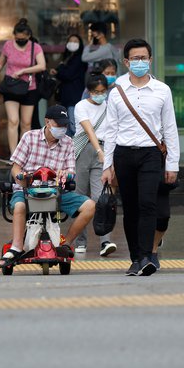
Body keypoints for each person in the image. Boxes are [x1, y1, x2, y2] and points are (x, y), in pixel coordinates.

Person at [100, 38, 180, 276]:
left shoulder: (162, 90)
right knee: (131, 208)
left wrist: (173, 164)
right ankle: (135, 257)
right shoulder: (116, 91)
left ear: (151, 60)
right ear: (126, 62)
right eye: (135, 58)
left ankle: (146, 256)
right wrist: (107, 165)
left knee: (148, 205)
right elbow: (110, 130)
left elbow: (170, 128)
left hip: (151, 154)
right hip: (123, 154)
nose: (140, 62)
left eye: (144, 58)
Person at [0, 105, 95, 269]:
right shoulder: (30, 137)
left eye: (65, 125)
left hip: (55, 193)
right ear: (47, 122)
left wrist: (66, 175)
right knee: (20, 206)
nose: (63, 129)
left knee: (90, 206)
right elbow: (15, 167)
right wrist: (21, 178)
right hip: (28, 191)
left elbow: (71, 171)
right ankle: (16, 247)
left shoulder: (68, 142)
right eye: (59, 125)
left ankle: (66, 244)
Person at [72, 73, 117, 256]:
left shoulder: (110, 106)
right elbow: (89, 130)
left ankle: (105, 241)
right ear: (89, 91)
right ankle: (80, 241)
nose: (100, 95)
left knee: (102, 198)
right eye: (96, 92)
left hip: (104, 151)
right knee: (80, 197)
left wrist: (108, 156)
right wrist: (100, 152)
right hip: (84, 151)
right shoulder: (81, 106)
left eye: (103, 91)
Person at [0, 18, 46, 157]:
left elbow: (42, 65)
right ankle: (13, 154)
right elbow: (1, 62)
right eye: (17, 38)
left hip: (29, 88)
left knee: (26, 123)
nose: (20, 40)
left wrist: (23, 71)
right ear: (14, 35)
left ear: (28, 36)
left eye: (23, 38)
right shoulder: (8, 45)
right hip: (11, 87)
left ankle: (23, 153)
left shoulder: (35, 47)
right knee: (13, 120)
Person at [50, 34, 87, 136]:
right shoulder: (67, 58)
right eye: (70, 41)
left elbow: (68, 74)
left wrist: (58, 71)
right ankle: (69, 149)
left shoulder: (80, 58)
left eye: (75, 41)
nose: (72, 43)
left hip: (74, 97)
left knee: (73, 125)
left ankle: (78, 149)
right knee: (66, 127)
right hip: (65, 97)